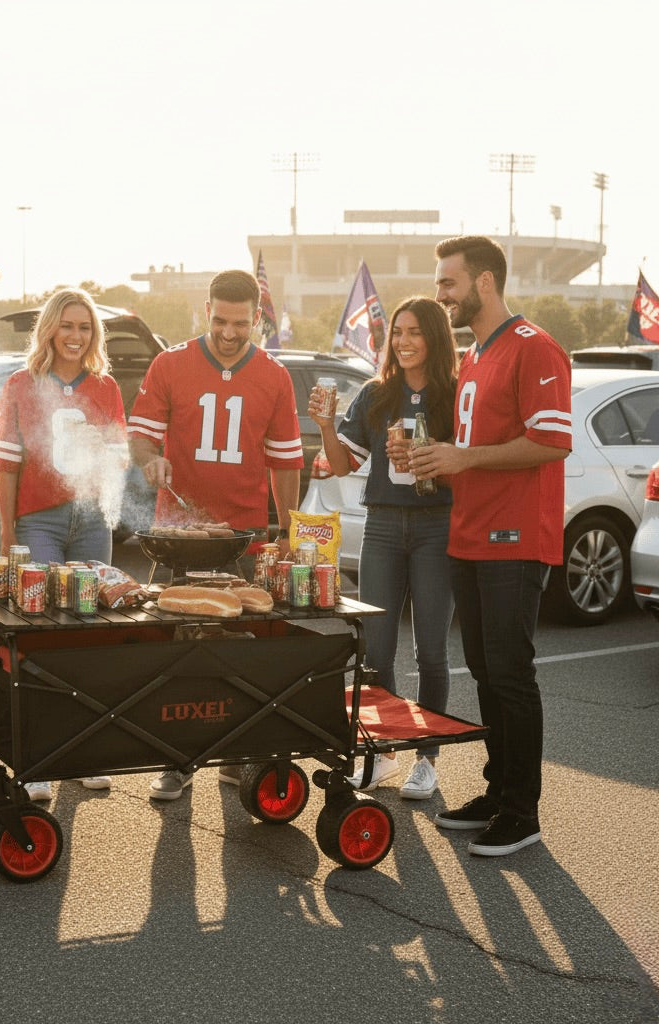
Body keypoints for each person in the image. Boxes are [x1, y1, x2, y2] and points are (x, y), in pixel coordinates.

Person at [408, 235, 572, 857]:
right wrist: (433, 459)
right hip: (470, 536)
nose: (439, 294)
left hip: (515, 537)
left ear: (483, 283)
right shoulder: (474, 355)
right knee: (484, 671)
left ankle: (522, 813)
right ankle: (497, 792)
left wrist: (466, 455)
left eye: (448, 283)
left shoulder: (535, 347)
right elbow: (470, 456)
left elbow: (553, 442)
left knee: (509, 674)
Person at [128, 269, 303, 801]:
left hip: (244, 537)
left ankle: (235, 754)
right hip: (180, 534)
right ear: (207, 311)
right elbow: (140, 438)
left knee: (242, 654)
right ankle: (178, 759)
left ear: (258, 318)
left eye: (241, 323)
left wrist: (287, 531)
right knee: (177, 652)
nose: (229, 333)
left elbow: (285, 462)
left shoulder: (274, 375)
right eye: (221, 321)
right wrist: (151, 461)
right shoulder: (170, 362)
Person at [309, 297, 458, 799]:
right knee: (375, 649)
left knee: (432, 650)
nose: (405, 341)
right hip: (384, 528)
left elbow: (471, 462)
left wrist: (428, 455)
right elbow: (343, 464)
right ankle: (382, 754)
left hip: (439, 526)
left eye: (415, 332)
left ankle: (427, 758)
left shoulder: (455, 394)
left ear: (435, 337)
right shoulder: (376, 392)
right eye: (398, 332)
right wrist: (327, 426)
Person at [0, 287, 129, 800]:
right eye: (67, 325)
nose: (75, 336)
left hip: (91, 521)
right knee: (41, 632)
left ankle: (83, 750)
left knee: (89, 635)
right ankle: (41, 755)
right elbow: (5, 466)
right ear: (49, 328)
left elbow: (117, 466)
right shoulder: (21, 385)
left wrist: (105, 460)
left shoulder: (107, 387)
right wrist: (8, 534)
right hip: (38, 523)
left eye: (85, 327)